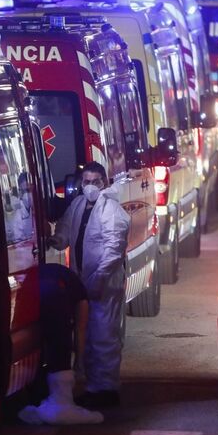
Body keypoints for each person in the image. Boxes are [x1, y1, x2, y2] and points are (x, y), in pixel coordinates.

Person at [49, 162, 131, 409]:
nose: (91, 186)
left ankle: (106, 389)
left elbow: (113, 248)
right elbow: (65, 232)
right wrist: (54, 239)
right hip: (83, 283)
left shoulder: (112, 210)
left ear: (104, 182)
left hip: (104, 287)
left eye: (95, 181)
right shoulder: (77, 206)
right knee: (88, 336)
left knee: (104, 336)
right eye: (86, 181)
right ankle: (94, 387)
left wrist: (100, 278)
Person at [18, 263, 103, 425]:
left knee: (38, 335)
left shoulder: (68, 279)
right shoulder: (80, 295)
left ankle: (40, 389)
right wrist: (79, 362)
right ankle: (60, 400)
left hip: (30, 284)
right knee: (60, 338)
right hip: (54, 290)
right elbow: (80, 330)